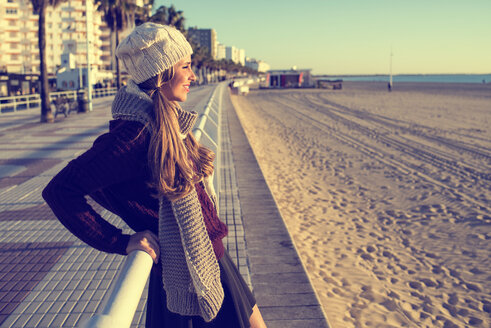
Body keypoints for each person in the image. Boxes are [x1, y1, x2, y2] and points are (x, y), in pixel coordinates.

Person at [42, 22, 267, 328]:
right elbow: (59, 191)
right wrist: (120, 241)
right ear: (161, 74)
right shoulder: (134, 135)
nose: (193, 76)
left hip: (211, 260)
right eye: (185, 67)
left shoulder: (165, 122)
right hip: (186, 278)